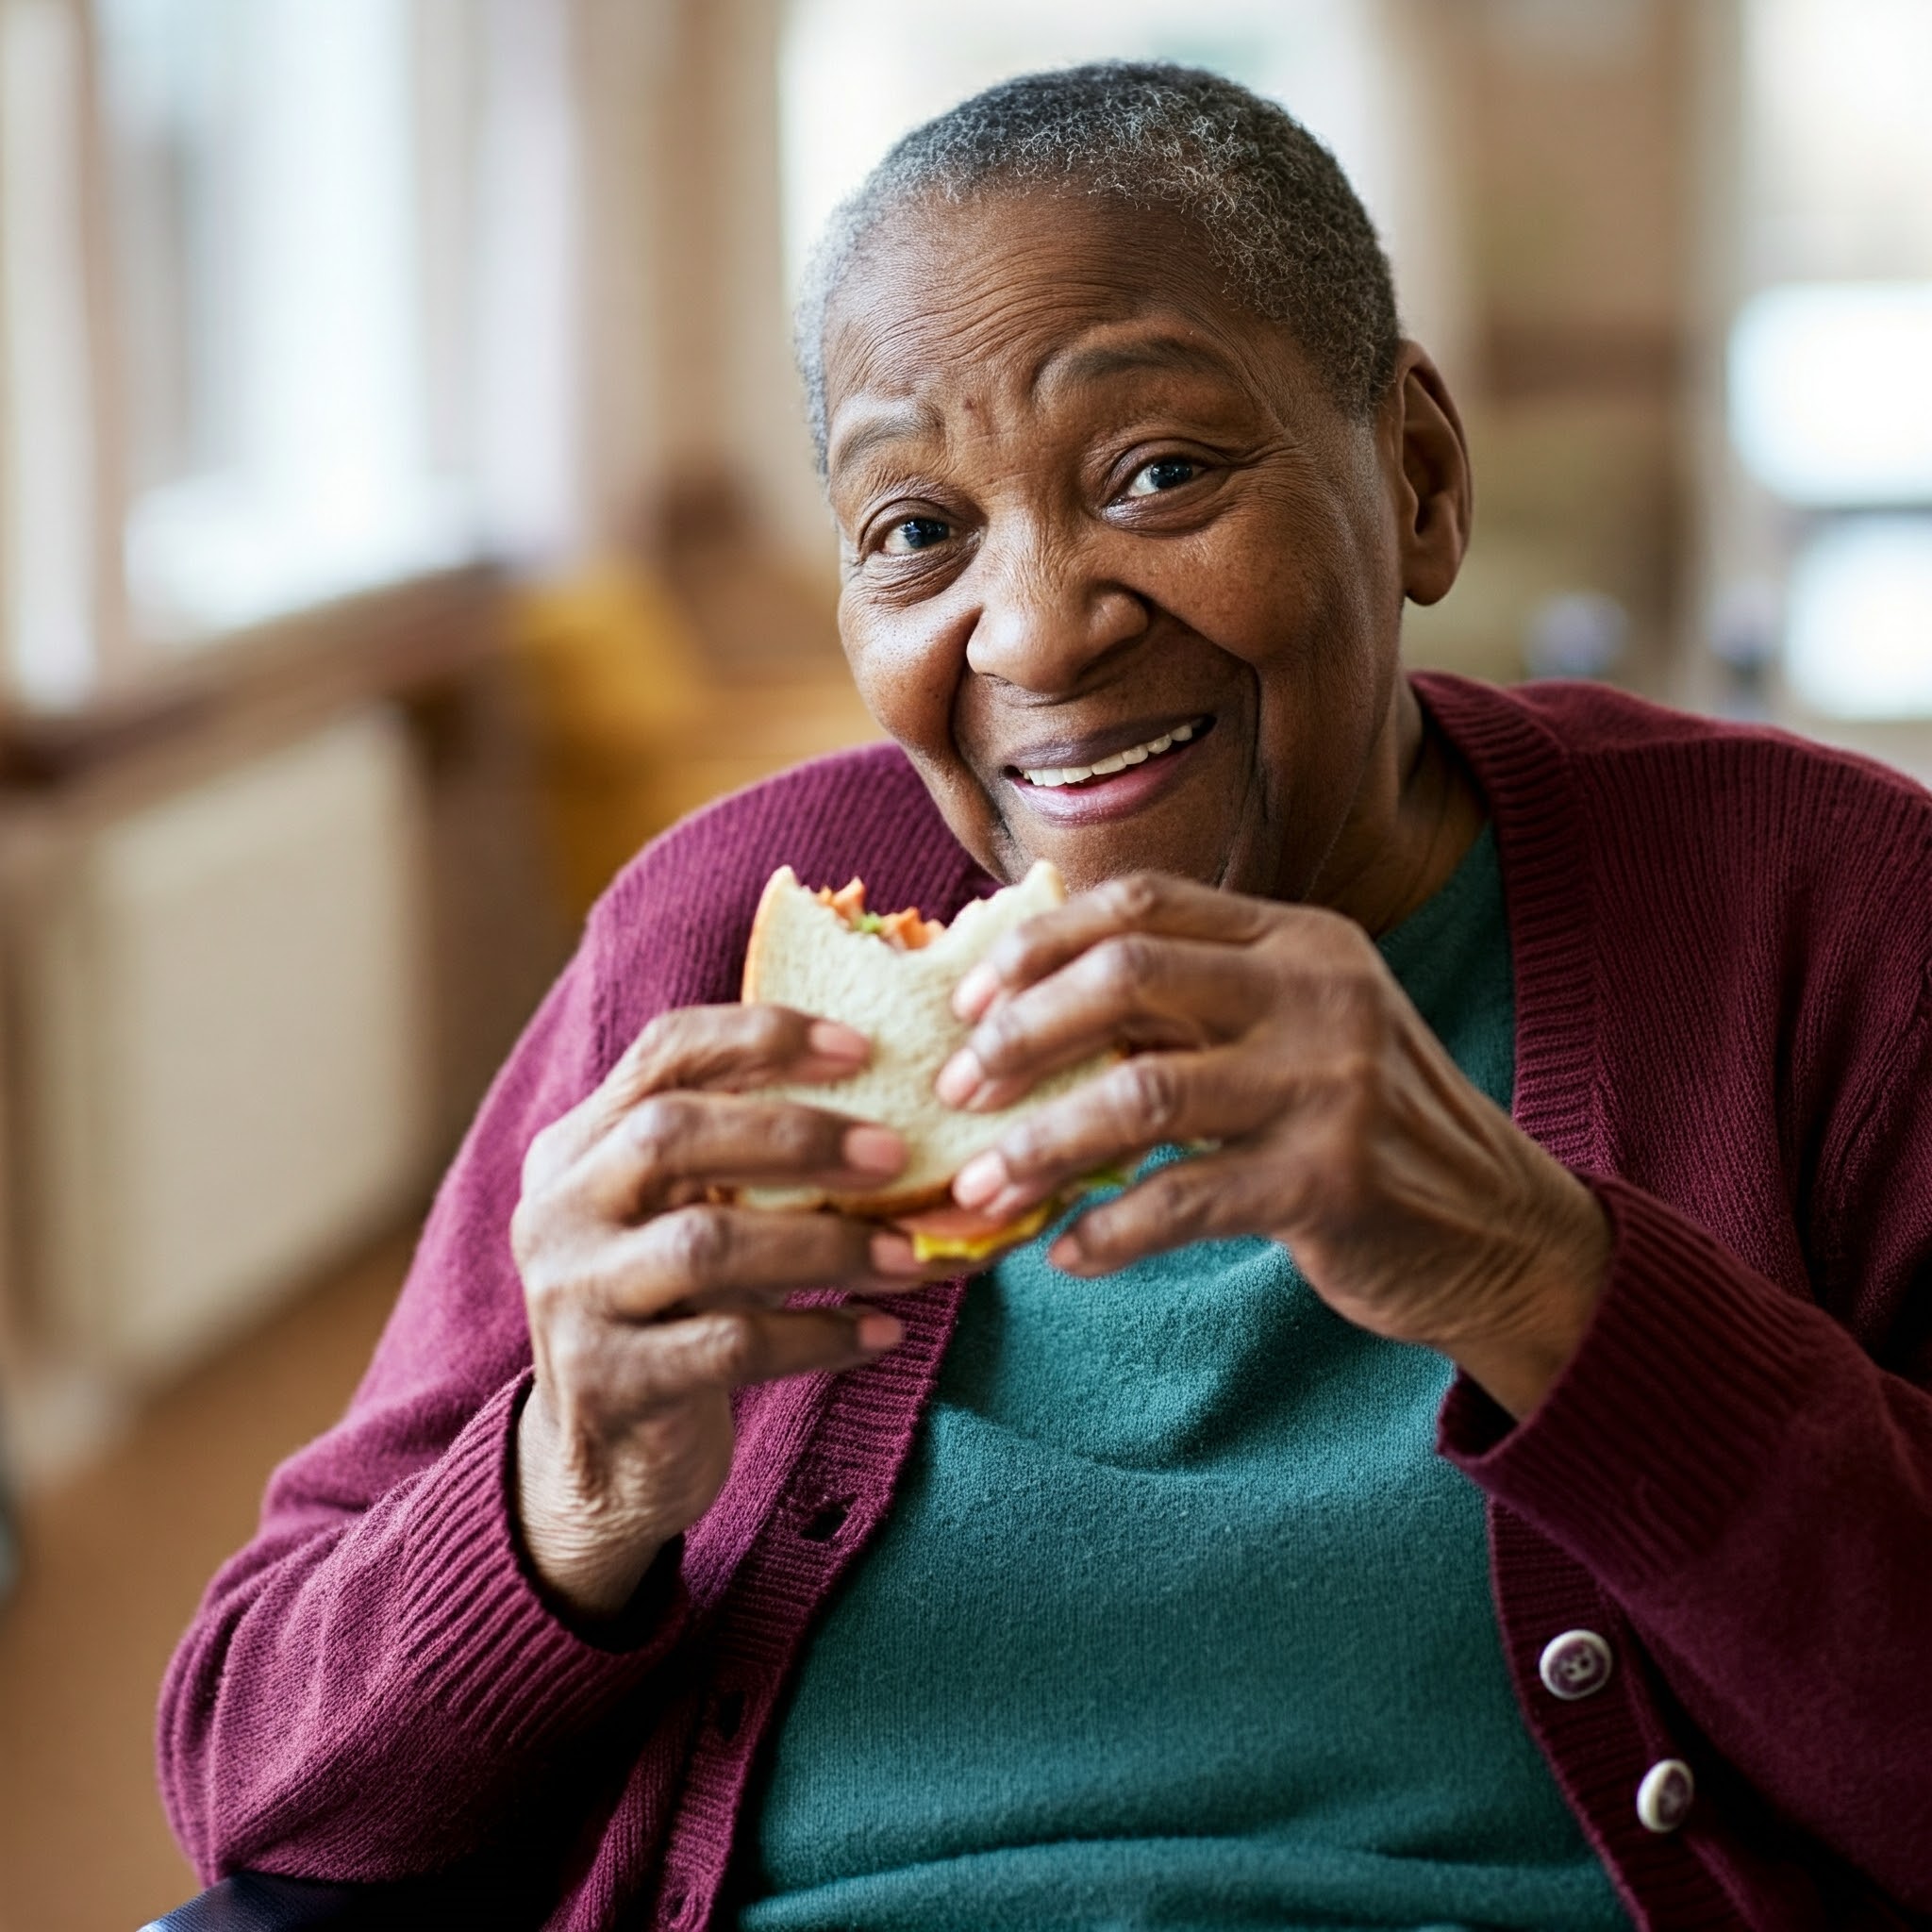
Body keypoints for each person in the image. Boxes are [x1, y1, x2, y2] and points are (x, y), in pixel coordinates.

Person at [159, 64, 1932, 1931]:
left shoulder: (1824, 915)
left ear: (1414, 476)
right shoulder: (711, 945)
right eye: (916, 529)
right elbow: (247, 1772)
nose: (1036, 629)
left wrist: (1536, 1278)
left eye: (1157, 473)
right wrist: (570, 1482)